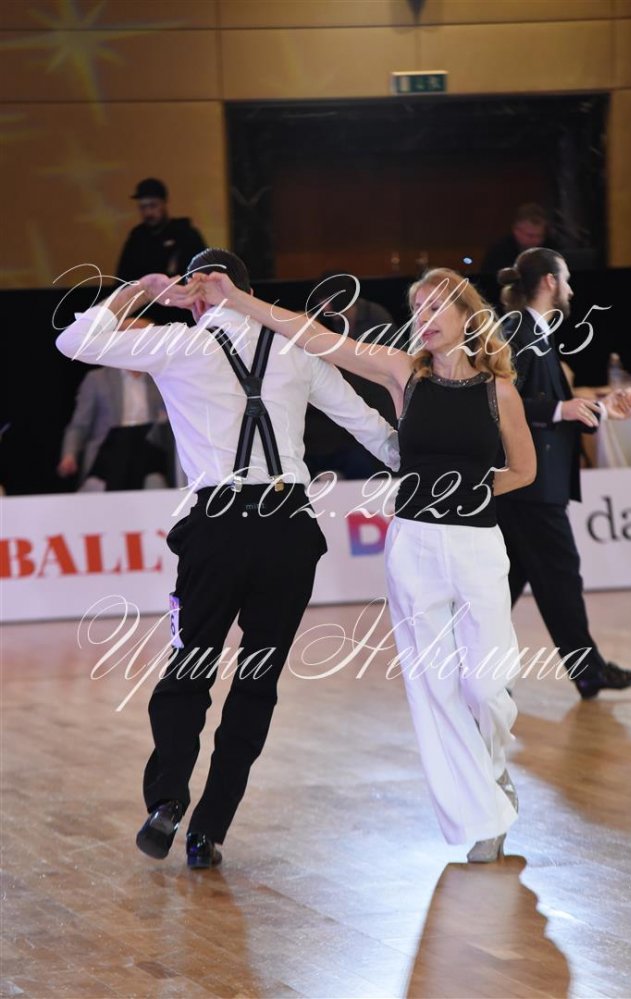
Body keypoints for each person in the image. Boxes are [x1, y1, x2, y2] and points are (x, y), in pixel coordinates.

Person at [56, 249, 400, 870]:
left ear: (198, 294)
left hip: (216, 529)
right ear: (245, 290)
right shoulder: (296, 347)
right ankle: (209, 830)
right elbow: (369, 426)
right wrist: (434, 468)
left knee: (188, 669)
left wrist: (138, 289)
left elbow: (74, 341)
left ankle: (167, 799)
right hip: (289, 531)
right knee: (256, 684)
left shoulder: (179, 345)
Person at [190, 265, 537, 864]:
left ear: (467, 316)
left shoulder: (498, 391)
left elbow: (525, 469)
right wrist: (238, 299)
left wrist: (471, 491)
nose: (425, 318)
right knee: (433, 688)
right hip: (413, 547)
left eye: (437, 307)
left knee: (485, 686)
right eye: (418, 308)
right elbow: (313, 336)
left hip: (478, 546)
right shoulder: (404, 373)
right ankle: (481, 813)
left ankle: (493, 767)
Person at [494, 248, 631, 699]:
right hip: (531, 487)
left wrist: (600, 408)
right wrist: (562, 409)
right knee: (558, 577)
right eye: (566, 279)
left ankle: (478, 672)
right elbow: (499, 401)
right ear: (549, 282)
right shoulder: (518, 330)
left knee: (513, 584)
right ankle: (587, 671)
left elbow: (553, 407)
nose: (571, 289)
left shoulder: (532, 332)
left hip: (532, 486)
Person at [304, 272, 399, 479]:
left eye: (326, 302)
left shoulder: (376, 319)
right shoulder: (340, 322)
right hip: (361, 396)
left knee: (380, 452)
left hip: (381, 397)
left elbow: (372, 364)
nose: (323, 309)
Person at [57, 318, 171, 491]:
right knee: (122, 442)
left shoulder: (162, 379)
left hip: (149, 455)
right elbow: (80, 425)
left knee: (154, 474)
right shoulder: (98, 379)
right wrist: (69, 454)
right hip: (107, 458)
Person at [116, 178, 206, 283]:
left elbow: (203, 272)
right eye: (143, 207)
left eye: (153, 205)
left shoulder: (186, 235)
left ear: (164, 203)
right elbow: (123, 279)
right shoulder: (136, 238)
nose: (148, 212)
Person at [481, 204, 559, 305]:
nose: (535, 241)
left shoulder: (551, 248)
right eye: (530, 236)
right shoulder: (499, 251)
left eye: (540, 236)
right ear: (516, 231)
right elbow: (491, 283)